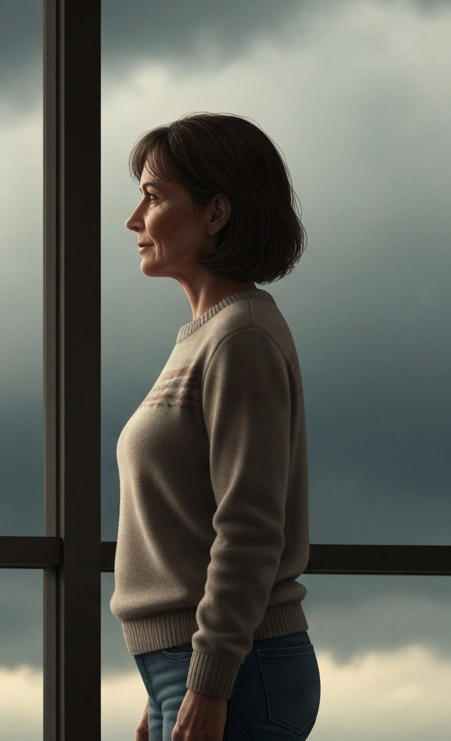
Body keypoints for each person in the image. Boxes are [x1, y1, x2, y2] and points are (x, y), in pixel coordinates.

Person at [111, 113, 320, 741]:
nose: (133, 219)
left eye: (152, 196)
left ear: (215, 213)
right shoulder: (206, 338)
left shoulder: (242, 337)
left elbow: (250, 527)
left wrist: (207, 681)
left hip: (240, 669)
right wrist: (167, 691)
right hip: (199, 667)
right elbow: (191, 525)